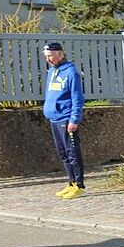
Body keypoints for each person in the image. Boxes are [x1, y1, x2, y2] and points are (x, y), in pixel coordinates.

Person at [42, 42, 86, 199]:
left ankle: (79, 185)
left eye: (51, 56)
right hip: (53, 118)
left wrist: (74, 119)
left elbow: (77, 97)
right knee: (63, 154)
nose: (48, 59)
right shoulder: (52, 72)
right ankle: (71, 182)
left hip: (66, 118)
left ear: (59, 54)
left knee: (72, 152)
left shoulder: (71, 72)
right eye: (46, 56)